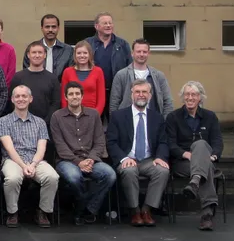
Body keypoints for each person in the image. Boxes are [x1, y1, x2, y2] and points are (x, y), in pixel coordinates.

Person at [51, 81, 115, 225]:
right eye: (71, 94)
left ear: (82, 96)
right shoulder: (57, 116)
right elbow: (60, 146)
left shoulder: (93, 115)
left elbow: (100, 142)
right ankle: (82, 206)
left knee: (109, 174)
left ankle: (87, 209)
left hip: (91, 159)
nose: (74, 96)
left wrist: (91, 159)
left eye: (77, 94)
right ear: (66, 97)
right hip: (67, 161)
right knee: (74, 177)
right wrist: (78, 162)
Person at [107, 79, 170, 227]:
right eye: (137, 92)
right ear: (131, 95)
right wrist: (123, 158)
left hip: (149, 160)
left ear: (150, 96)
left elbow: (163, 141)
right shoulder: (118, 116)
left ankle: (147, 210)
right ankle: (135, 211)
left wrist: (160, 157)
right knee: (129, 170)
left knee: (162, 170)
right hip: (128, 158)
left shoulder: (157, 117)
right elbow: (111, 142)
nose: (141, 95)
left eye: (144, 92)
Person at [0, 85, 59, 228]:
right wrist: (24, 166)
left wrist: (33, 164)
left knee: (52, 177)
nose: (21, 99)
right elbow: (9, 149)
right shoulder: (3, 121)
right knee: (12, 178)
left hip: (36, 160)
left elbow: (41, 148)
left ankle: (43, 212)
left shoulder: (40, 122)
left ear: (31, 99)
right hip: (12, 160)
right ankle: (12, 212)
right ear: (12, 99)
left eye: (24, 96)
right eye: (17, 96)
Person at [166, 81, 223, 230]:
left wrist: (213, 156)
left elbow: (217, 142)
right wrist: (186, 154)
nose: (190, 98)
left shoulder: (210, 116)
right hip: (182, 163)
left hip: (206, 159)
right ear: (183, 97)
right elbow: (170, 144)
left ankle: (195, 181)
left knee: (201, 145)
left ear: (200, 97)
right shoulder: (173, 117)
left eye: (194, 94)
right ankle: (207, 214)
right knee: (206, 165)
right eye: (187, 94)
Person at [109, 38, 175, 117]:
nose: (141, 54)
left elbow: (168, 102)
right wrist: (116, 121)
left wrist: (164, 121)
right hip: (127, 121)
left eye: (144, 52)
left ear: (148, 53)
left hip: (154, 121)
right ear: (132, 53)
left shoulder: (159, 76)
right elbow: (114, 103)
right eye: (138, 51)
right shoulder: (121, 75)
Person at [86, 12, 132, 117]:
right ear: (96, 26)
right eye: (105, 23)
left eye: (110, 23)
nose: (108, 25)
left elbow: (130, 68)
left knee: (116, 119)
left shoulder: (122, 44)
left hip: (117, 91)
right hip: (94, 92)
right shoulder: (88, 44)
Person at [10, 41, 60, 122]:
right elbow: (11, 101)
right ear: (28, 55)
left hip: (46, 124)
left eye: (40, 52)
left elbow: (56, 103)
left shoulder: (52, 78)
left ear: (45, 55)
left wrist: (45, 122)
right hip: (21, 122)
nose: (37, 55)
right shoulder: (18, 77)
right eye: (34, 52)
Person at [61, 41, 106, 116]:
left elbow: (101, 99)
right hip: (71, 115)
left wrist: (95, 116)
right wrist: (67, 115)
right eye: (79, 53)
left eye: (85, 53)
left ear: (90, 54)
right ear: (75, 55)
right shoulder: (67, 72)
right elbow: (64, 97)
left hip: (92, 115)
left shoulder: (98, 71)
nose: (82, 56)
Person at [24, 14, 72, 78]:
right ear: (42, 28)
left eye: (53, 27)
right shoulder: (32, 49)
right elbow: (26, 73)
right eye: (47, 27)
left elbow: (71, 75)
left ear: (58, 28)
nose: (50, 30)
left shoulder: (68, 50)